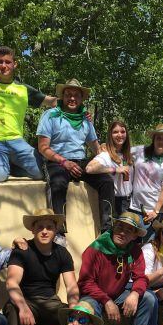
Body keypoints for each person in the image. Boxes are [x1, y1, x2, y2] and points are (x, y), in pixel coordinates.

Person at [37, 79, 114, 236]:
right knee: (57, 184)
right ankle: (59, 232)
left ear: (81, 99)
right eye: (68, 95)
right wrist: (64, 162)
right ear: (62, 97)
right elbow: (43, 148)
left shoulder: (85, 119)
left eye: (76, 95)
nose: (72, 98)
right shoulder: (50, 115)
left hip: (81, 161)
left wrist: (112, 161)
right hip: (58, 160)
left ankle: (107, 229)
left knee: (106, 181)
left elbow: (95, 147)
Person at [0, 45, 56, 182]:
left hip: (17, 141)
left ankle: (10, 166)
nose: (3, 66)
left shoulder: (23, 89)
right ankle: (2, 168)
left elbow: (51, 102)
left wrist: (79, 109)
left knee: (40, 173)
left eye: (7, 62)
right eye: (0, 61)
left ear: (14, 64)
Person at [78, 212, 158, 325]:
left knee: (148, 298)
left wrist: (134, 293)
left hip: (118, 294)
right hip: (94, 296)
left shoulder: (134, 250)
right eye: (120, 227)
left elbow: (140, 277)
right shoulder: (95, 249)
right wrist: (106, 301)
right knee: (87, 306)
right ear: (113, 227)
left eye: (129, 230)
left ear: (134, 235)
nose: (122, 232)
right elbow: (85, 283)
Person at [4, 209, 79, 325]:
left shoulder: (62, 253)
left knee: (73, 323)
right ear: (33, 230)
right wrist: (23, 307)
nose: (44, 231)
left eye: (49, 227)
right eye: (40, 227)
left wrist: (74, 308)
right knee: (15, 316)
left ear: (55, 230)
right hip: (26, 301)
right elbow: (11, 283)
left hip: (50, 302)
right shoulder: (22, 250)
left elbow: (72, 286)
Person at [129, 123, 163, 241]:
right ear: (154, 139)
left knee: (147, 245)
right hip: (133, 207)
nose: (161, 141)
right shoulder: (140, 151)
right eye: (159, 138)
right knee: (129, 243)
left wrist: (155, 211)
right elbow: (122, 152)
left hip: (150, 212)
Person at [86, 120, 133, 218]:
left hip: (131, 202)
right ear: (110, 135)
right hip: (115, 202)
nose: (119, 135)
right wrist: (114, 169)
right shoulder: (105, 155)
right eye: (115, 132)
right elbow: (89, 168)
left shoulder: (131, 154)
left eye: (122, 132)